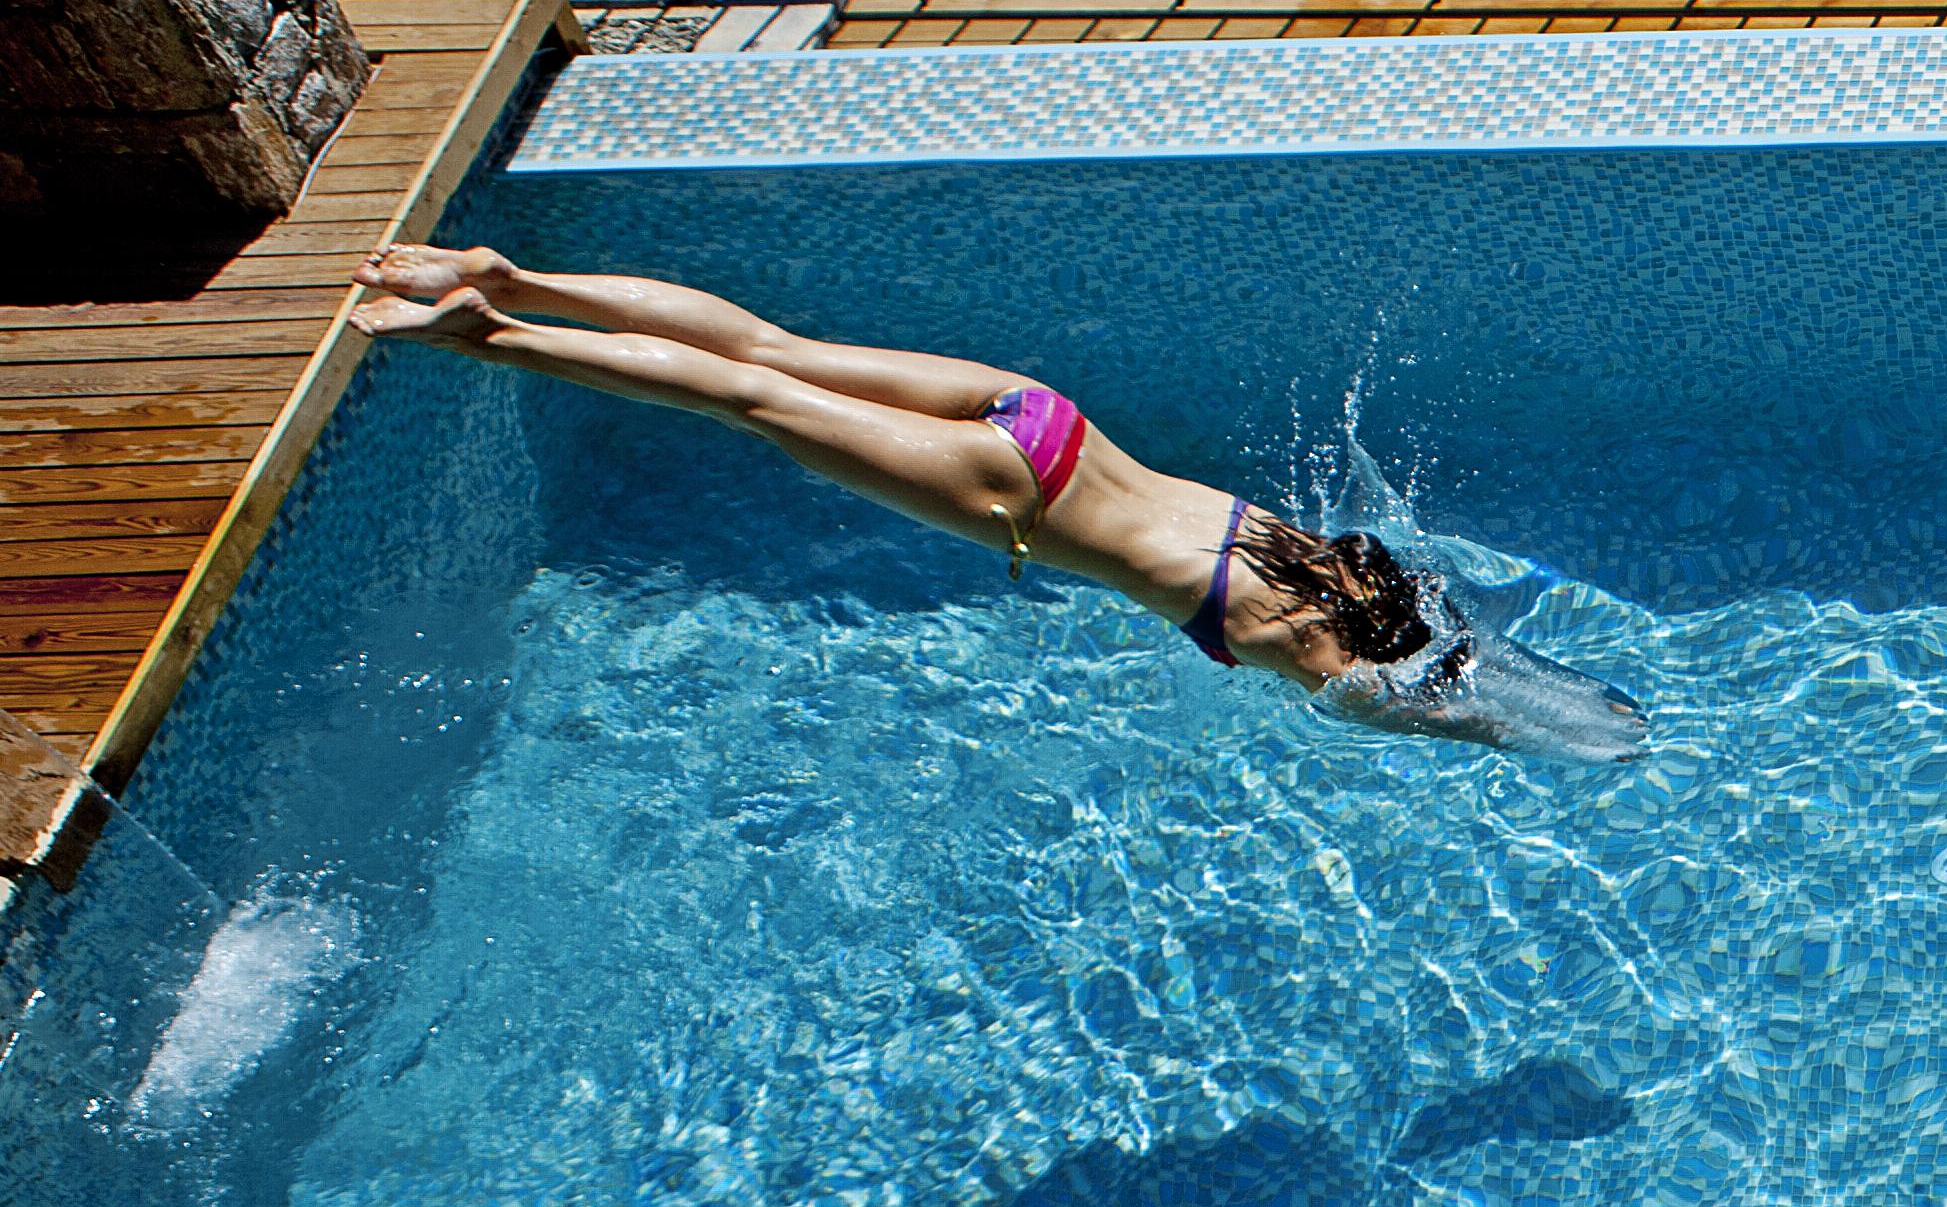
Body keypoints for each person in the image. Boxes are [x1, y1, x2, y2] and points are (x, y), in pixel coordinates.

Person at [343, 246, 1648, 759]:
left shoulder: (1309, 558)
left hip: (1042, 415)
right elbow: (1428, 713)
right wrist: (1522, 728)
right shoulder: (1289, 642)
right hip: (1013, 492)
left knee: (773, 350)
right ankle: (484, 335)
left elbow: (1433, 638)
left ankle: (506, 275)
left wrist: (1484, 652)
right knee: (743, 403)